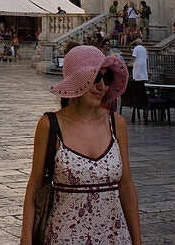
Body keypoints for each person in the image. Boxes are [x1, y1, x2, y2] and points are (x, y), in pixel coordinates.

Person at [22, 44, 141, 245]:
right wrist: (25, 239)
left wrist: (137, 241)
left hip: (114, 237)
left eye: (106, 78)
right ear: (76, 82)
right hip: (64, 237)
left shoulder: (116, 123)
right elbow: (35, 184)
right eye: (95, 78)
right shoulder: (49, 125)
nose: (101, 86)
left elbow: (126, 185)